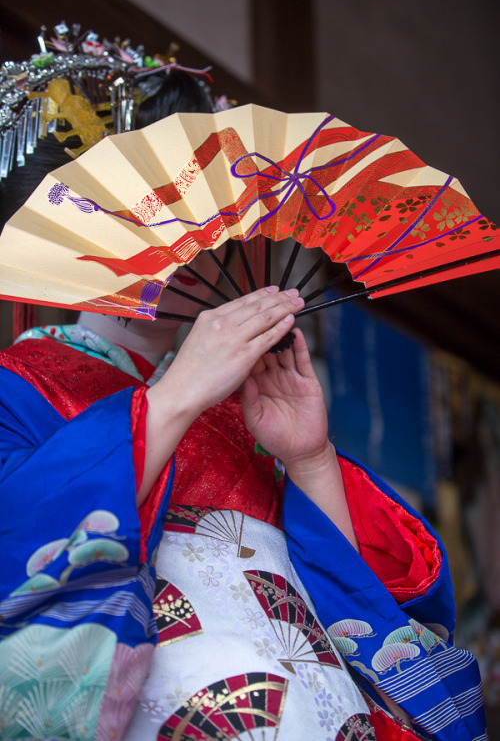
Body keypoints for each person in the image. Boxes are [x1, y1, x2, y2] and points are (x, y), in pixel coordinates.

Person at [0, 43, 487, 741]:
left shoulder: (247, 412)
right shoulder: (18, 388)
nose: (194, 244)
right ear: (79, 225)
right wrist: (172, 403)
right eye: (158, 213)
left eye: (209, 222)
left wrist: (311, 458)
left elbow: (367, 606)